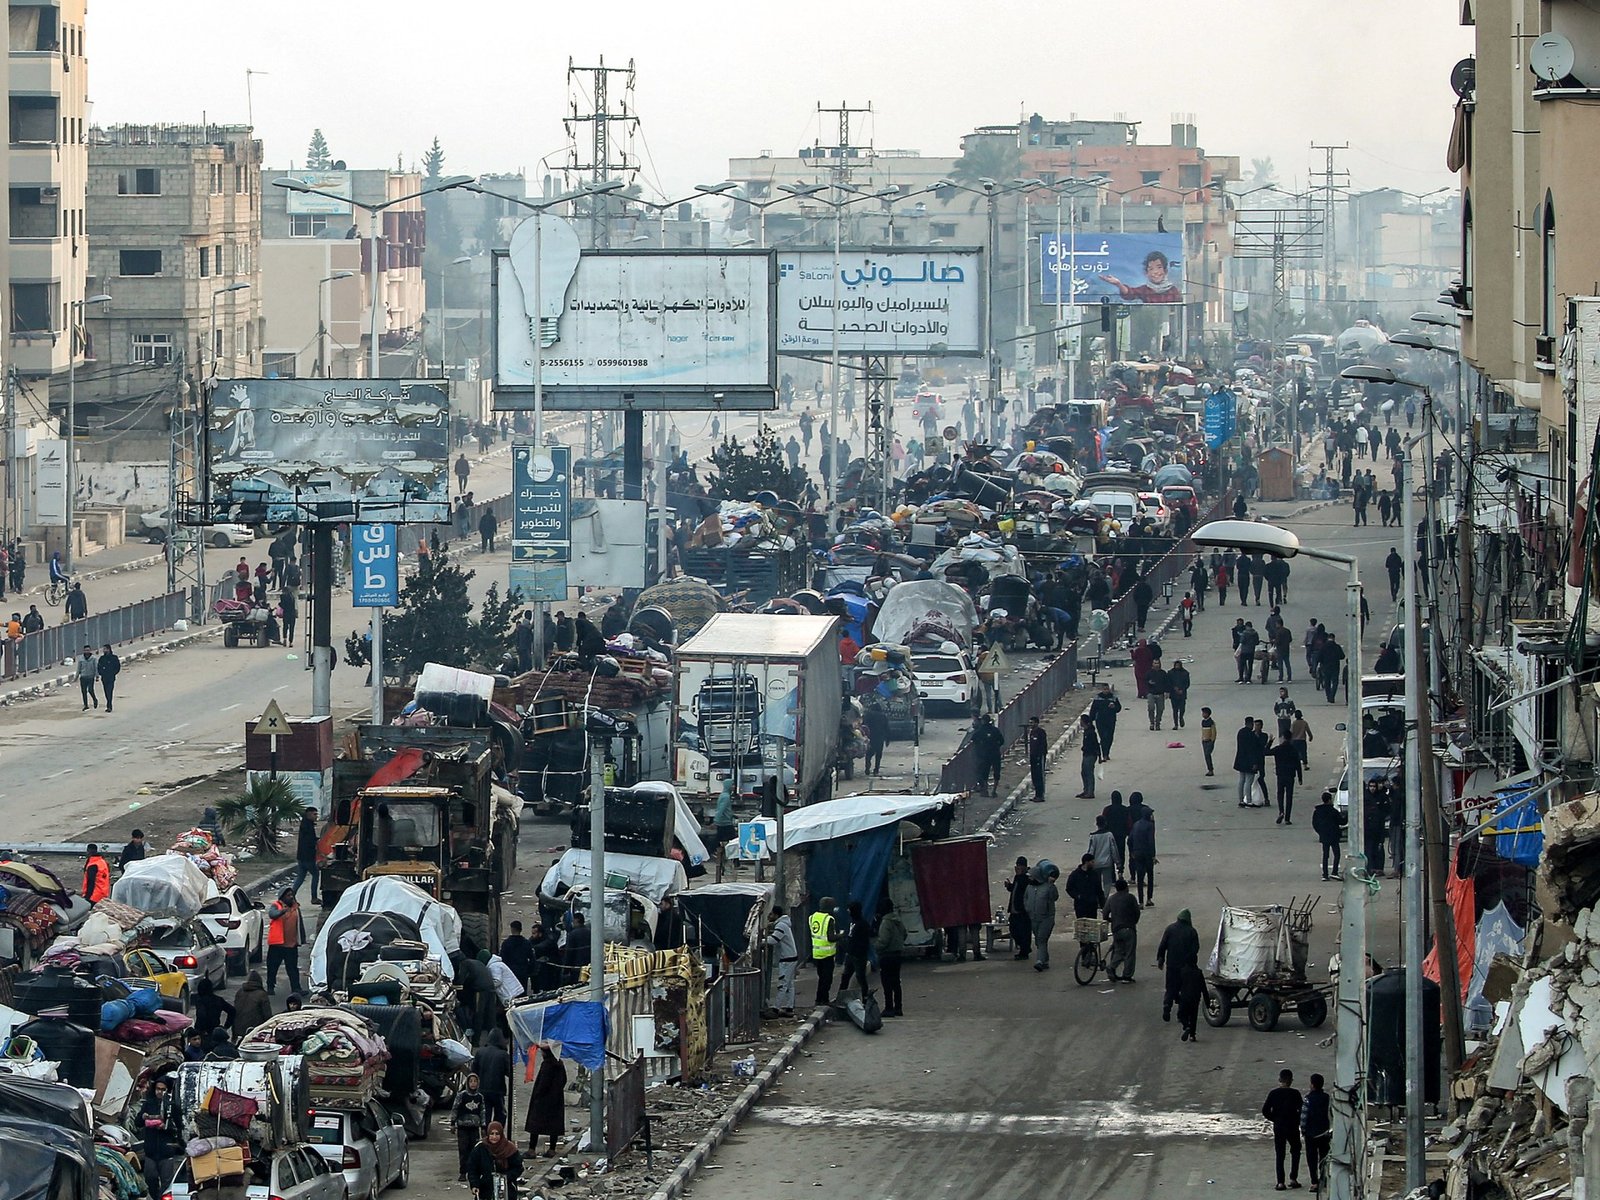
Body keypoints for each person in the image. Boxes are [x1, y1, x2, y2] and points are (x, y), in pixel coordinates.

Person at [1262, 1068, 1305, 1190]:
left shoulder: (1273, 1093)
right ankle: (1293, 1178)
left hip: (1279, 1127)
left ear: (1279, 1079)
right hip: (1292, 1126)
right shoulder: (1295, 1093)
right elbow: (1301, 1110)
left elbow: (1265, 1110)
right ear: (1291, 1081)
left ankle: (1280, 1182)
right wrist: (1297, 1120)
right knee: (1295, 1150)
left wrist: (1275, 1119)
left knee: (1280, 1154)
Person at [1156, 908, 1201, 1022]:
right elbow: (1195, 949)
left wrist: (1160, 959)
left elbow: (1163, 945)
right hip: (1186, 967)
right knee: (1184, 991)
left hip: (1171, 965)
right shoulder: (1192, 931)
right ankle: (1182, 1014)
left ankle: (1167, 1005)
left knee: (1170, 987)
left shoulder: (1170, 929)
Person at [136, 1076, 178, 1196]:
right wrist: (143, 1117)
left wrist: (165, 1126)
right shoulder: (148, 1104)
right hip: (150, 1152)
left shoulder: (172, 1106)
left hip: (166, 1152)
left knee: (167, 1183)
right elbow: (137, 1123)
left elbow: (178, 1127)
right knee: (150, 1179)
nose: (160, 1092)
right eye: (158, 1089)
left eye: (163, 1089)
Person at [524, 1050, 568, 1157]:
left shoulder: (547, 1065)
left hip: (542, 1101)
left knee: (535, 1124)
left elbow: (543, 1083)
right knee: (554, 1125)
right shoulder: (560, 1064)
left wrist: (538, 1094)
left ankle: (532, 1149)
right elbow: (564, 1080)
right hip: (556, 1099)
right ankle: (552, 1149)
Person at [465, 1122, 523, 1200]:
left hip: (507, 1189)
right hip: (485, 1190)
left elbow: (518, 1167)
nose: (494, 1137)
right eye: (492, 1134)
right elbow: (472, 1168)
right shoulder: (480, 1148)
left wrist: (505, 1178)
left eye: (497, 1134)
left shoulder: (509, 1148)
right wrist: (475, 1185)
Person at [1102, 249, 1182, 303]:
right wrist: (1118, 284)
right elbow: (1129, 293)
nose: (1155, 272)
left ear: (1165, 271)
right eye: (1151, 269)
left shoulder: (1173, 291)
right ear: (1146, 273)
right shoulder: (1144, 290)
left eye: (1159, 267)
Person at [452, 1072, 490, 1180]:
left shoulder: (479, 1097)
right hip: (463, 1127)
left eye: (475, 1081)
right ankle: (463, 1172)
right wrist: (453, 1123)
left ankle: (473, 1172)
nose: (473, 1084)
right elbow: (455, 1108)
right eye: (471, 1081)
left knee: (474, 1150)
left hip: (474, 1127)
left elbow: (483, 1112)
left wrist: (483, 1126)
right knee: (463, 1150)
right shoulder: (462, 1095)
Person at [266, 889, 304, 995]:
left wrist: (301, 940)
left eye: (292, 895)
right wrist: (282, 911)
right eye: (288, 895)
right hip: (277, 945)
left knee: (292, 968)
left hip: (291, 945)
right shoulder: (276, 905)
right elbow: (272, 914)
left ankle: (296, 988)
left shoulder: (296, 908)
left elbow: (299, 925)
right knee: (272, 968)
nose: (291, 897)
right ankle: (270, 987)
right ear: (282, 897)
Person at [1023, 861, 1060, 972]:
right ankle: (1045, 960)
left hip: (1046, 918)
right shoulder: (1029, 887)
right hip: (1033, 918)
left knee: (1041, 939)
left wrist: (1051, 885)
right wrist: (1027, 909)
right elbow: (1025, 899)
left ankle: (1039, 961)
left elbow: (1055, 897)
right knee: (1039, 941)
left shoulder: (1047, 887)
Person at [874, 898, 908, 1016]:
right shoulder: (898, 920)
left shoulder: (886, 922)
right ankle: (898, 1007)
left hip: (886, 955)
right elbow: (905, 933)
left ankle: (889, 1007)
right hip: (897, 954)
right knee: (896, 982)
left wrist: (876, 947)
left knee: (887, 983)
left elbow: (883, 940)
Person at [470, 1031, 511, 1126]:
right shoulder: (503, 1054)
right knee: (500, 1114)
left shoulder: (480, 1052)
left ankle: (485, 1133)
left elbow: (474, 1071)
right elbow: (509, 1072)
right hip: (498, 1090)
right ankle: (497, 1133)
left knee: (485, 1114)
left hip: (482, 1089)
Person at [1105, 878, 1141, 983]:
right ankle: (1127, 976)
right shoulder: (1130, 898)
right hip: (1129, 928)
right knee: (1129, 953)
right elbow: (1137, 912)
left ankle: (1111, 966)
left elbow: (1105, 913)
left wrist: (1112, 920)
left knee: (1119, 951)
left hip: (1116, 929)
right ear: (1126, 887)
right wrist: (1133, 922)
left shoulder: (1111, 899)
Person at [765, 906, 798, 1015]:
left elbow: (773, 940)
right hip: (791, 957)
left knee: (782, 983)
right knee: (789, 984)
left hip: (787, 958)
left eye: (770, 914)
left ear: (776, 915)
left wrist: (760, 940)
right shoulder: (784, 924)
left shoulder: (781, 925)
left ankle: (776, 1008)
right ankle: (789, 1008)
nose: (769, 916)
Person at [1302, 1073, 1333, 1191]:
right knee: (1323, 1157)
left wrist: (1303, 1130)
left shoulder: (1308, 1099)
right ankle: (1324, 1178)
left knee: (1311, 1158)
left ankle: (1314, 1182)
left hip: (1310, 1134)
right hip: (1324, 1132)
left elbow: (1304, 1117)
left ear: (1312, 1085)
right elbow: (1331, 1113)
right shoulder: (1327, 1098)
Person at [837, 900, 873, 995]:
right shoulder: (853, 922)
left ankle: (865, 996)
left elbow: (862, 941)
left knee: (860, 977)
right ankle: (841, 995)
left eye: (849, 909)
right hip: (851, 954)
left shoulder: (862, 924)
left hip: (858, 956)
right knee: (845, 977)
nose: (848, 911)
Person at [809, 896, 841, 1006]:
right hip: (827, 954)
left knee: (821, 978)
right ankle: (823, 1000)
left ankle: (819, 999)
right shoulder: (829, 919)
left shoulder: (812, 917)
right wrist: (841, 935)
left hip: (816, 953)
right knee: (827, 979)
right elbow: (831, 937)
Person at [1064, 853, 1105, 928]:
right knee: (1082, 926)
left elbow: (1099, 891)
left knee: (1092, 926)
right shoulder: (1075, 874)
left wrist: (1103, 905)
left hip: (1092, 905)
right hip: (1080, 905)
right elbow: (1069, 888)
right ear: (1086, 862)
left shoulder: (1094, 874)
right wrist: (1077, 896)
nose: (1093, 864)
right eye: (1092, 862)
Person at [1004, 857, 1033, 960]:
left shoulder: (1027, 877)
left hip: (1023, 909)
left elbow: (1023, 889)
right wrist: (1009, 886)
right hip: (1014, 908)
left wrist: (1020, 875)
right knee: (1013, 929)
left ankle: (1024, 950)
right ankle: (1023, 947)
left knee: (1024, 931)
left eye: (1020, 866)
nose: (1017, 868)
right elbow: (1015, 889)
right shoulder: (1018, 877)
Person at [1270, 733, 1301, 825]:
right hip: (1290, 775)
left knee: (1280, 794)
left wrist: (1270, 742)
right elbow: (1298, 764)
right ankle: (1287, 818)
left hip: (1280, 775)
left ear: (1283, 738)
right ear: (1291, 738)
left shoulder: (1278, 749)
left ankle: (1281, 812)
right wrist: (1300, 777)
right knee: (1289, 796)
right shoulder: (1293, 749)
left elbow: (1265, 752)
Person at [1313, 791, 1345, 880]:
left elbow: (1315, 823)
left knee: (1325, 855)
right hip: (1334, 835)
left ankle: (1325, 874)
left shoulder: (1318, 811)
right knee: (1337, 854)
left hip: (1324, 836)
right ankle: (1334, 872)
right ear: (1330, 800)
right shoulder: (1333, 811)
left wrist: (1320, 832)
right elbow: (1342, 821)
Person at [1175, 961, 1210, 1043]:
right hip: (1195, 998)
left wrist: (1176, 998)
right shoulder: (1198, 972)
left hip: (1184, 997)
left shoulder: (1182, 971)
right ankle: (1192, 1035)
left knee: (1181, 1014)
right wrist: (1208, 1003)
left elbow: (1177, 986)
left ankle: (1186, 1026)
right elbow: (1204, 989)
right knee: (1193, 1016)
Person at [290, 807, 319, 902]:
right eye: (314, 814)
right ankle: (314, 897)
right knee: (315, 874)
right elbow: (310, 841)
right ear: (309, 814)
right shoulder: (308, 826)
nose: (316, 816)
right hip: (308, 856)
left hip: (301, 856)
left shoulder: (305, 824)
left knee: (301, 877)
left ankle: (291, 895)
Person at [1087, 817, 1118, 904]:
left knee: (1096, 882)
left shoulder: (1093, 836)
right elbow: (1113, 850)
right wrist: (1118, 863)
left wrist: (1088, 862)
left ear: (1097, 824)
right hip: (1107, 863)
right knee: (1107, 882)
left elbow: (1091, 850)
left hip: (1095, 863)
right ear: (1105, 823)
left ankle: (1097, 899)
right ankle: (1104, 898)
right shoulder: (1109, 835)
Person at [231, 970, 272, 1036]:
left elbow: (235, 1011)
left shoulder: (240, 992)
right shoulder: (262, 994)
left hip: (238, 1029)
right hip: (254, 1030)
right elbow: (267, 1015)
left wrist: (234, 1032)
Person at [973, 714, 1004, 797]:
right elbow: (1002, 741)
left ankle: (985, 790)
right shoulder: (995, 730)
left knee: (985, 773)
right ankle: (994, 791)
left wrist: (981, 746)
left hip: (985, 754)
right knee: (996, 772)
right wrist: (996, 746)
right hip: (995, 754)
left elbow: (973, 739)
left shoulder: (980, 730)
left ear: (983, 721)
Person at [1089, 684, 1121, 762]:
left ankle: (1107, 753)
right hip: (1100, 720)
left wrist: (1114, 707)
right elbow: (1093, 710)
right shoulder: (1098, 698)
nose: (1106, 691)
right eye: (1104, 689)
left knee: (1110, 737)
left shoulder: (1113, 698)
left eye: (1107, 689)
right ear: (1102, 690)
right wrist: (1090, 720)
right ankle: (1104, 754)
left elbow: (1119, 708)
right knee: (1103, 737)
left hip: (1111, 720)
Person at [499, 922, 534, 990]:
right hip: (522, 972)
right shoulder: (526, 943)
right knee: (522, 993)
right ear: (521, 929)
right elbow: (532, 958)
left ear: (512, 929)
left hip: (510, 972)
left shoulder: (506, 943)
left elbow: (502, 958)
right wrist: (529, 971)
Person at [1233, 717, 1260, 807]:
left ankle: (1241, 800)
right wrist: (1254, 763)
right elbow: (1252, 750)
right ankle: (1248, 801)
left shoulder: (1240, 732)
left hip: (1240, 759)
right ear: (1251, 724)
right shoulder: (1251, 735)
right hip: (1249, 761)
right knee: (1249, 781)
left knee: (1241, 780)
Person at [1076, 713, 1102, 799]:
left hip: (1091, 755)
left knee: (1089, 773)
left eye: (1081, 721)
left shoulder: (1091, 732)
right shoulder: (1086, 731)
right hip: (1086, 754)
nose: (1080, 722)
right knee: (1084, 772)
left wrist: (1099, 756)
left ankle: (1090, 792)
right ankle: (1086, 790)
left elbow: (1096, 744)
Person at [862, 700, 889, 776]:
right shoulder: (883, 716)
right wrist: (887, 740)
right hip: (879, 738)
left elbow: (864, 726)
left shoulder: (868, 715)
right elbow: (887, 728)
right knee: (878, 755)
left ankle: (867, 768)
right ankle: (876, 770)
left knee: (868, 754)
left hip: (870, 737)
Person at [1027, 716, 1048, 801]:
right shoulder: (1032, 732)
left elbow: (1043, 745)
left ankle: (1041, 795)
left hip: (1039, 756)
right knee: (1034, 775)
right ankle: (1036, 794)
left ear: (1036, 723)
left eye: (1032, 723)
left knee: (1039, 775)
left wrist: (1041, 755)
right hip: (1033, 756)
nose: (1030, 724)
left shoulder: (1041, 732)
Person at [97, 644, 121, 712]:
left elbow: (118, 667)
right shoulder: (102, 658)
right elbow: (99, 667)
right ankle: (108, 703)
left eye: (105, 649)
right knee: (106, 692)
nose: (104, 650)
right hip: (104, 678)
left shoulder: (114, 658)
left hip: (111, 678)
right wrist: (101, 673)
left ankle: (109, 705)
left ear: (108, 649)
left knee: (109, 691)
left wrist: (113, 673)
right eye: (103, 649)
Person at [1168, 659, 1191, 729]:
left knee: (1182, 709)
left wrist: (1182, 689)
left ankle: (1181, 718)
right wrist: (1173, 688)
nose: (1177, 666)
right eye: (1176, 665)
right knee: (1175, 710)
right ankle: (1176, 724)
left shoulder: (1185, 673)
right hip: (1173, 694)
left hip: (1182, 694)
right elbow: (1168, 682)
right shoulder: (1170, 673)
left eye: (1178, 665)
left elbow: (1187, 683)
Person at [76, 645, 98, 710]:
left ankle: (95, 699)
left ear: (90, 650)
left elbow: (96, 667)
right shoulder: (81, 658)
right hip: (83, 677)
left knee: (90, 690)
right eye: (85, 650)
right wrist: (76, 677)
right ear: (83, 651)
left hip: (91, 677)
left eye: (88, 650)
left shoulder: (93, 658)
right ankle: (86, 705)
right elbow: (78, 668)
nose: (87, 651)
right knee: (84, 691)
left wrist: (97, 676)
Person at [1200, 706, 1217, 776]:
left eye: (1204, 713)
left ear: (1208, 714)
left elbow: (1214, 732)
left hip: (1209, 741)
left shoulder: (1211, 722)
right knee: (1206, 756)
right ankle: (1209, 769)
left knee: (1207, 754)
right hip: (1204, 741)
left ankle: (1211, 769)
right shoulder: (1203, 722)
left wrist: (1212, 740)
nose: (1203, 714)